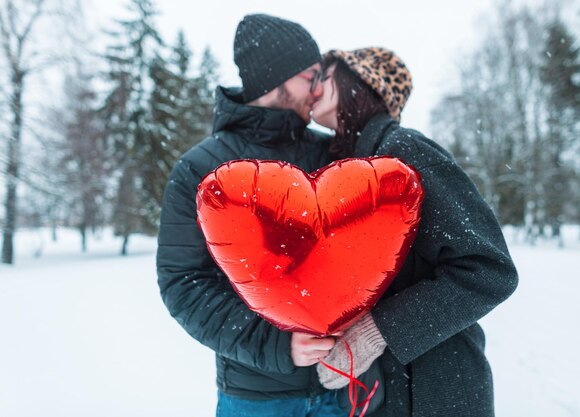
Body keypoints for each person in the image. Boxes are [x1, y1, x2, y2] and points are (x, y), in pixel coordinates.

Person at [311, 47, 519, 416]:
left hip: (439, 391)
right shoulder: (347, 166)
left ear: (358, 83)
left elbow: (490, 270)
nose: (315, 85)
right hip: (386, 392)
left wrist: (377, 331)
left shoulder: (404, 152)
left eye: (325, 76)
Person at [157, 14, 344, 416]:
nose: (317, 90)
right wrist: (275, 344)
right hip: (256, 399)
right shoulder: (203, 168)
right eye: (310, 76)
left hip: (344, 388)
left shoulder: (332, 156)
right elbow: (184, 283)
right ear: (277, 79)